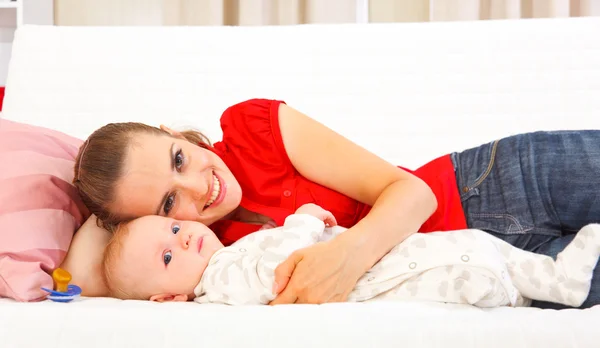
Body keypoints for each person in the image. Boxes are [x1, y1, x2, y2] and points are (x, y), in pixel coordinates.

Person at [72, 98, 600, 309]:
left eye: (178, 158)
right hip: (498, 275)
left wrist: (346, 256)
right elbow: (75, 279)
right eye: (167, 202)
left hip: (486, 184)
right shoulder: (214, 264)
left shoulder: (255, 129)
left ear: (176, 133)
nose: (198, 187)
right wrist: (96, 211)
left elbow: (414, 193)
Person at [101, 203, 599, 308]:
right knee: (462, 258)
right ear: (166, 298)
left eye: (173, 227)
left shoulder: (226, 254)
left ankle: (556, 281)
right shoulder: (221, 285)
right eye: (168, 257)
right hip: (392, 277)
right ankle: (542, 286)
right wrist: (301, 222)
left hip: (386, 256)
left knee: (476, 243)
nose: (184, 238)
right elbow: (277, 272)